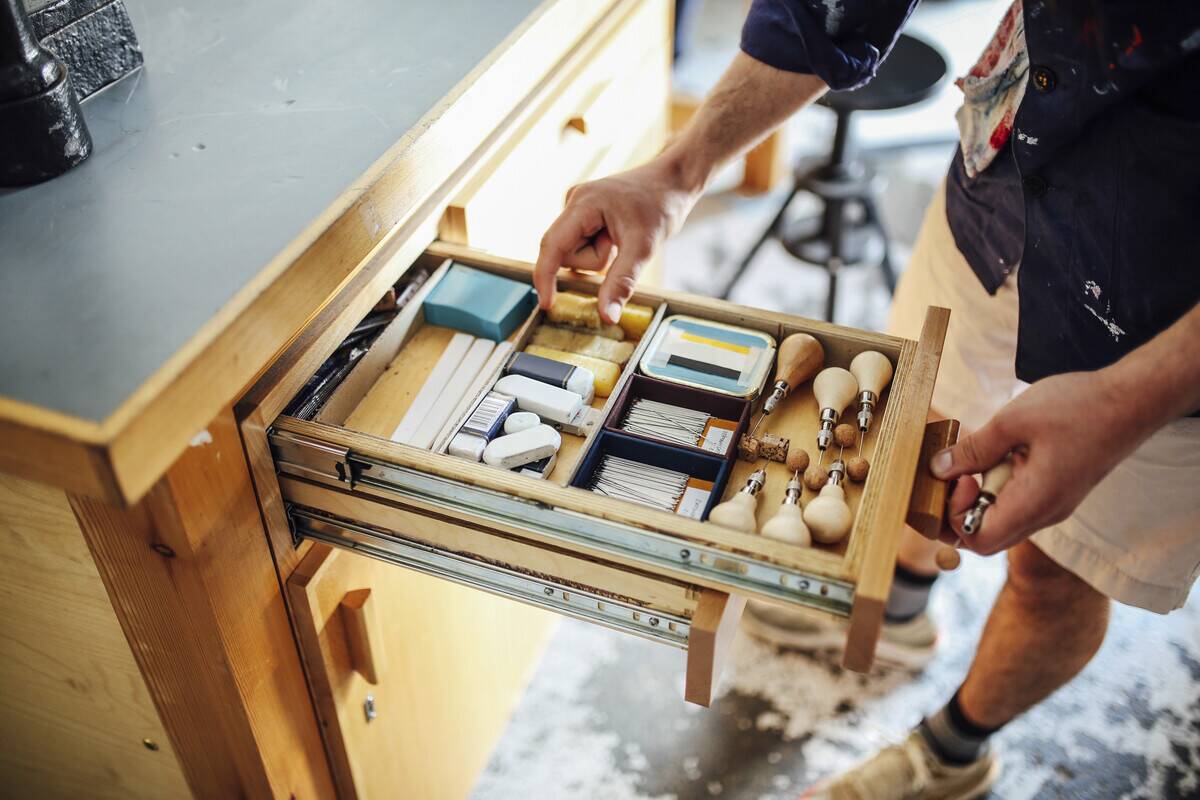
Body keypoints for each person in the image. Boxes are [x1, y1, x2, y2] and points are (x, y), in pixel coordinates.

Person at [533, 1, 1200, 797]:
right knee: (910, 444)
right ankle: (901, 614)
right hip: (1002, 186)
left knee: (1056, 570)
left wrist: (1127, 404)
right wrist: (679, 171)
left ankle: (953, 752)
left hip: (1168, 321)